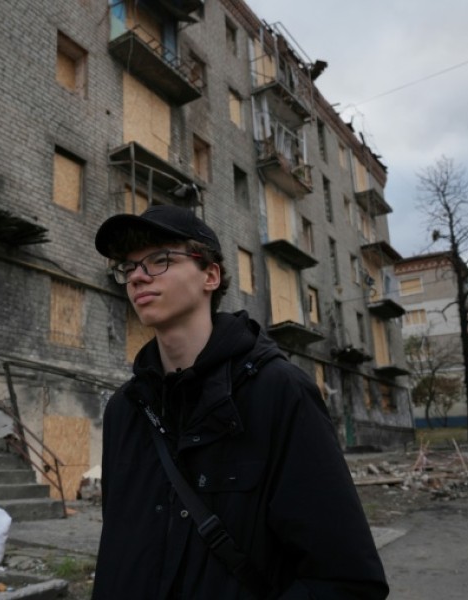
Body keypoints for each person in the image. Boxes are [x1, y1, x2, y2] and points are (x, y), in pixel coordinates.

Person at [91, 204, 389, 599]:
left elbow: (346, 580)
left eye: (160, 260)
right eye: (128, 267)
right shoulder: (125, 409)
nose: (136, 276)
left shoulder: (279, 392)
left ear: (210, 275)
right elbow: (116, 553)